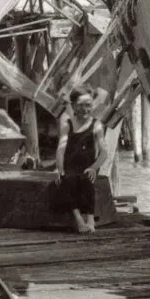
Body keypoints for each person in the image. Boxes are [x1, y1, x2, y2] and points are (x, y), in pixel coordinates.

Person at [55, 86, 108, 233]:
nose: (85, 109)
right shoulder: (68, 125)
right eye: (80, 105)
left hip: (88, 165)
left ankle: (90, 219)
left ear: (92, 105)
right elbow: (61, 149)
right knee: (68, 179)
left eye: (88, 105)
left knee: (86, 178)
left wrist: (94, 167)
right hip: (70, 166)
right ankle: (79, 219)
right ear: (73, 106)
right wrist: (60, 170)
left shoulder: (96, 125)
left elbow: (104, 152)